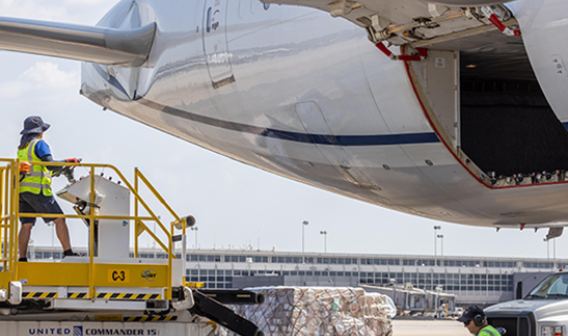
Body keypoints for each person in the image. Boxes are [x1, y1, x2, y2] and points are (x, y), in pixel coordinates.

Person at [17, 116, 78, 261]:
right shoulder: (39, 144)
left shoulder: (23, 148)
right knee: (60, 219)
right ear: (40, 131)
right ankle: (68, 253)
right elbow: (49, 164)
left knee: (26, 224)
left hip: (23, 191)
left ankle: (22, 258)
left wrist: (57, 169)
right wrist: (66, 162)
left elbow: (38, 167)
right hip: (39, 191)